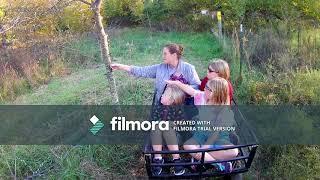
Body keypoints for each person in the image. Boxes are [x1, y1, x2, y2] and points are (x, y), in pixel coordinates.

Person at [166, 77, 238, 172]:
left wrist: (206, 147)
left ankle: (202, 157)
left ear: (216, 93)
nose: (204, 88)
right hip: (200, 136)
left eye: (207, 88)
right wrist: (177, 83)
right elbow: (191, 90)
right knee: (188, 146)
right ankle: (219, 164)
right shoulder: (202, 98)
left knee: (234, 151)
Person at [110, 43, 201, 104]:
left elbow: (197, 87)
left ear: (174, 55)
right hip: (162, 105)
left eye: (165, 54)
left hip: (182, 108)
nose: (163, 56)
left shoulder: (189, 68)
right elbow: (142, 71)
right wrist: (121, 67)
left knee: (180, 131)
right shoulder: (160, 68)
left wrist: (178, 90)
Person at [151, 84, 186, 176]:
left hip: (175, 138)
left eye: (164, 94)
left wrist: (171, 124)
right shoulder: (158, 108)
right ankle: (158, 158)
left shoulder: (177, 109)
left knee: (167, 127)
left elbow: (182, 123)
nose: (162, 95)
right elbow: (153, 120)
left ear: (171, 100)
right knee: (156, 127)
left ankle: (176, 159)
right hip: (158, 140)